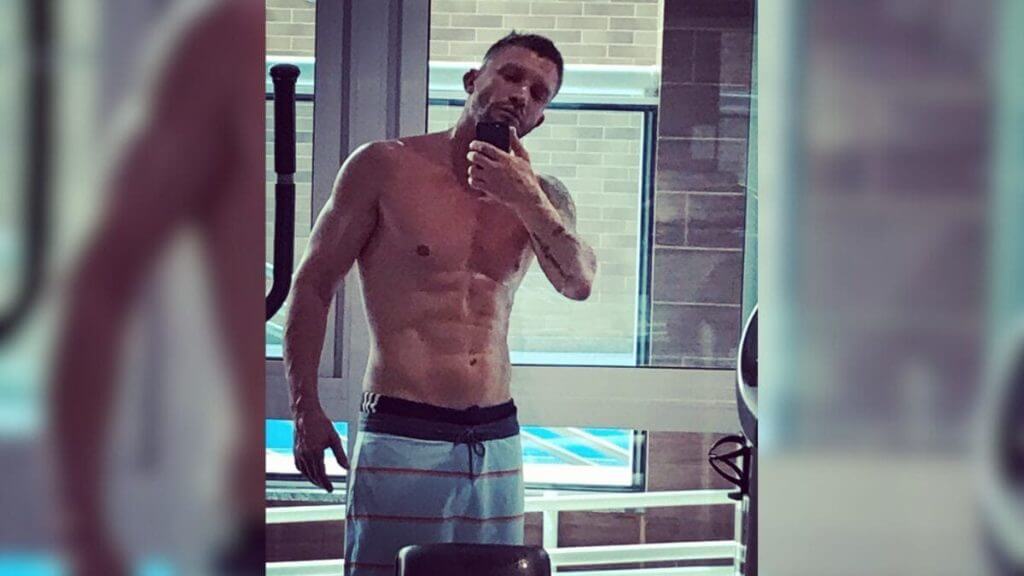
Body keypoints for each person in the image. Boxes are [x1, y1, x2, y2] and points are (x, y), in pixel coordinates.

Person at [285, 32, 597, 574]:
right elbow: (313, 284)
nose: (521, 94)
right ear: (473, 81)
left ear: (541, 118)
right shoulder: (385, 166)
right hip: (403, 431)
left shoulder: (543, 197)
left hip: (495, 438)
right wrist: (304, 407)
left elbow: (578, 283)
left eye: (539, 93)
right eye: (511, 75)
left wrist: (525, 196)